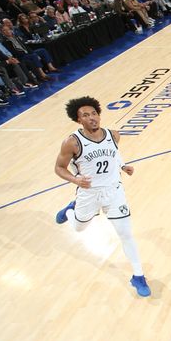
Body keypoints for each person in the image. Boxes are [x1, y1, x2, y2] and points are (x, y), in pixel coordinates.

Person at [54, 97, 151, 297]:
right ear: (78, 120)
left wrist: (123, 166)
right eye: (85, 115)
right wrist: (75, 180)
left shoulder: (113, 135)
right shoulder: (71, 142)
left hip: (114, 191)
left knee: (126, 233)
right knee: (79, 228)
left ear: (99, 114)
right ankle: (71, 211)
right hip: (89, 194)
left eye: (94, 113)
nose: (91, 118)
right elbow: (59, 168)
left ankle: (138, 276)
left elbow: (114, 154)